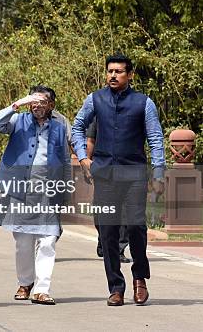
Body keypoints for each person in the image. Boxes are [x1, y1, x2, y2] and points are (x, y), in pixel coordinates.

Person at [72, 53, 165, 306]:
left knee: (135, 226)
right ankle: (115, 286)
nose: (113, 75)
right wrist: (82, 157)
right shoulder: (95, 99)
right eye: (110, 71)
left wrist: (158, 173)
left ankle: (139, 279)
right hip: (105, 175)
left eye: (119, 71)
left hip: (134, 173)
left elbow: (156, 139)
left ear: (130, 75)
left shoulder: (144, 103)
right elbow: (77, 126)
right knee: (108, 231)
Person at [0, 86, 71, 305]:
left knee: (47, 242)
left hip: (48, 192)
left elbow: (64, 159)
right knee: (23, 242)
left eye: (42, 102)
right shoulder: (18, 121)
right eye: (33, 102)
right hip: (20, 191)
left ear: (51, 105)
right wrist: (18, 104)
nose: (37, 106)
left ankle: (42, 289)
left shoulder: (60, 126)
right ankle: (25, 283)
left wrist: (66, 189)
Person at [87, 118, 131, 263]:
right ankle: (104, 240)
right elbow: (91, 140)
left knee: (124, 210)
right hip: (102, 168)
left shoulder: (135, 114)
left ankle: (118, 249)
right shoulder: (99, 116)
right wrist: (87, 163)